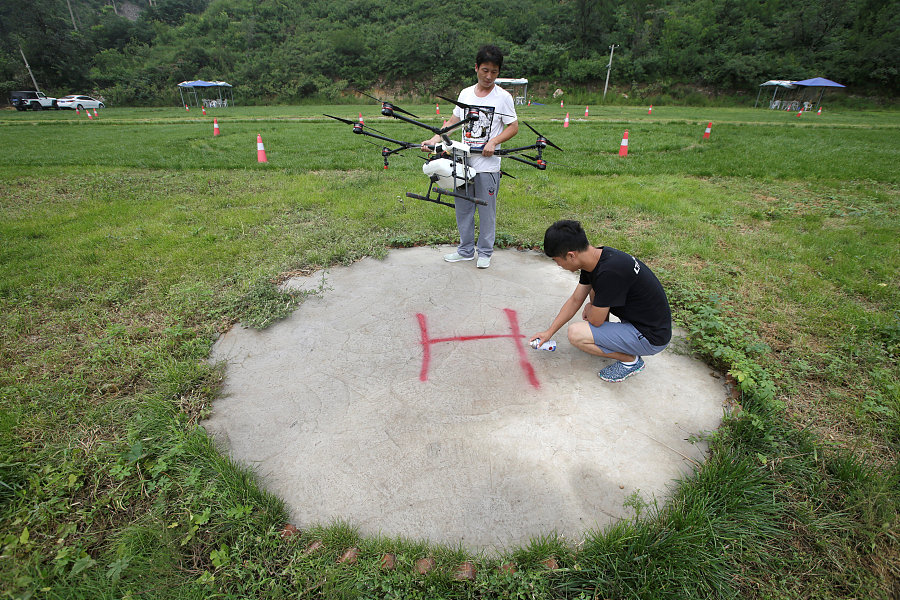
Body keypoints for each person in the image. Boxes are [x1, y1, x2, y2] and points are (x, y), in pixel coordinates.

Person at [529, 220, 672, 382]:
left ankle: (630, 361)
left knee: (576, 334)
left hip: (651, 337)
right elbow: (576, 299)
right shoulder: (596, 259)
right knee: (593, 290)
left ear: (571, 255)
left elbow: (595, 321)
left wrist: (591, 309)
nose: (558, 265)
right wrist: (549, 332)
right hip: (643, 322)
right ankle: (608, 338)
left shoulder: (610, 272)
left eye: (556, 260)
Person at [422, 44, 519, 269]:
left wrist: (494, 142)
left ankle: (485, 252)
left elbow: (513, 126)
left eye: (494, 72)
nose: (489, 76)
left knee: (486, 211)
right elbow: (453, 122)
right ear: (476, 68)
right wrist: (434, 140)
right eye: (485, 70)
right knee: (463, 208)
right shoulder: (465, 93)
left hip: (488, 165)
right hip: (462, 162)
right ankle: (465, 250)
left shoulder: (502, 97)